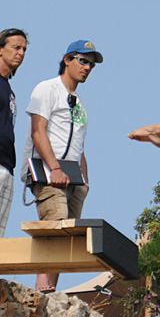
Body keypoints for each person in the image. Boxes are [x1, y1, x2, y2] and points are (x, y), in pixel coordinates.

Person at [20, 40, 103, 293]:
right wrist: (54, 168)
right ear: (67, 60)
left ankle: (50, 292)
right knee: (54, 228)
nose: (87, 67)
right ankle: (40, 290)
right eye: (82, 60)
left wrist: (85, 182)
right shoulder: (47, 89)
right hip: (48, 172)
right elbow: (38, 131)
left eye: (91, 63)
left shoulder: (81, 103)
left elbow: (80, 145)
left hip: (73, 178)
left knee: (67, 237)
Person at [0, 28, 28, 237]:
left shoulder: (9, 89)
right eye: (16, 47)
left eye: (24, 49)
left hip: (6, 166)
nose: (21, 53)